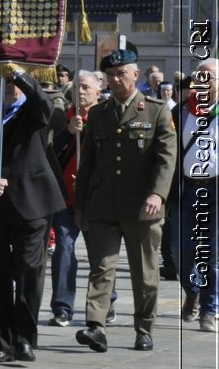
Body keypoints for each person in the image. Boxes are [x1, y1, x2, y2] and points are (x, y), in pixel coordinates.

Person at [75, 41, 177, 352]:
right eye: (110, 75)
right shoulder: (100, 114)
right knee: (101, 268)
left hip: (142, 208)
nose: (116, 79)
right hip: (104, 205)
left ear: (135, 74)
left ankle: (144, 328)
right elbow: (88, 162)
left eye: (121, 73)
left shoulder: (156, 111)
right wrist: (80, 206)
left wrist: (158, 194)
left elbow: (166, 158)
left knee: (144, 274)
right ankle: (96, 326)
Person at [0, 72, 65, 363]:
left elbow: (44, 104)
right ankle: (1, 340)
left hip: (32, 204)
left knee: (29, 270)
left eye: (11, 82)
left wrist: (18, 74)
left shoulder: (32, 111)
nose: (5, 87)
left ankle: (24, 337)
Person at [49, 70, 104, 325]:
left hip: (95, 199)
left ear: (97, 92)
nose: (80, 92)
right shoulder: (62, 117)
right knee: (64, 249)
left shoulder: (107, 116)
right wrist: (68, 133)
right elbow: (49, 153)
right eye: (76, 88)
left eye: (85, 87)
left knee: (101, 254)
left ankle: (106, 301)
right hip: (65, 200)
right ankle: (62, 307)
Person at [174, 60, 218, 331]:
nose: (203, 81)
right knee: (181, 252)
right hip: (187, 188)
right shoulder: (180, 112)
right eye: (199, 76)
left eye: (210, 76)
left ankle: (209, 310)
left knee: (213, 255)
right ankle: (192, 290)